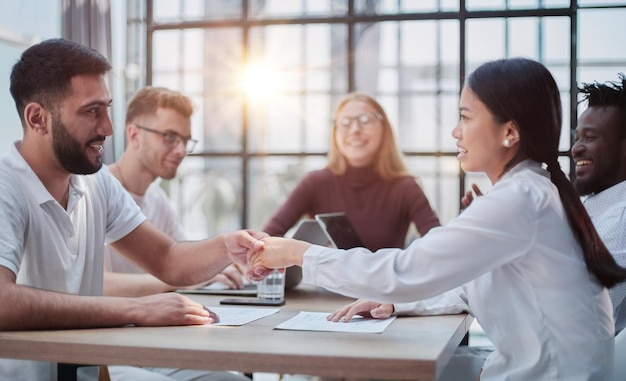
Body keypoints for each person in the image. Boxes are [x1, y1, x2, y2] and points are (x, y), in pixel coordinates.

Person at [247, 58, 626, 380]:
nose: (455, 131)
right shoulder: (532, 191)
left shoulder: (520, 199)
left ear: (509, 131)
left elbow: (404, 271)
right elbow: (465, 284)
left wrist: (299, 253)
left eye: (465, 117)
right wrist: (396, 303)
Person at [0, 38, 264, 381]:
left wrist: (227, 246)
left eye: (107, 108)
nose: (108, 128)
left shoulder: (95, 182)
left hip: (86, 369)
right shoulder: (6, 186)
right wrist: (139, 309)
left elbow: (168, 258)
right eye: (92, 111)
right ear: (38, 118)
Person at [101, 86, 250, 381]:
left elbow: (179, 257)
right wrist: (179, 279)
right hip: (109, 348)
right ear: (134, 134)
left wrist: (211, 265)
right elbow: (96, 286)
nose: (181, 150)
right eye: (170, 136)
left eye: (185, 140)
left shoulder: (156, 198)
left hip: (156, 342)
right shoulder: (98, 190)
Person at [263, 92, 440, 251]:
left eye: (365, 120)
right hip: (324, 287)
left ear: (384, 129)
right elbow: (267, 236)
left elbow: (441, 245)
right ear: (335, 134)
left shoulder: (405, 187)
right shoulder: (315, 183)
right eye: (345, 123)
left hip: (383, 286)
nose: (354, 130)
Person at [572, 74, 626, 335]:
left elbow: (581, 315)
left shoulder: (620, 217)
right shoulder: (597, 205)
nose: (575, 149)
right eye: (577, 138)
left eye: (589, 138)